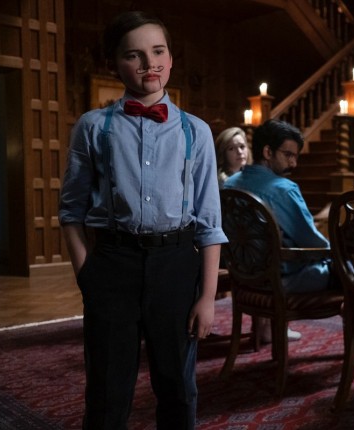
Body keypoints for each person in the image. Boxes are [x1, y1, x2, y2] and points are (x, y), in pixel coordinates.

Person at [58, 11, 227, 429]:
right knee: (107, 389)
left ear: (170, 59)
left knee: (177, 386)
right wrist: (87, 274)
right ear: (114, 63)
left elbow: (209, 221)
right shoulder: (93, 127)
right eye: (134, 55)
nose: (149, 63)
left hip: (176, 265)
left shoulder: (196, 131)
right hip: (113, 264)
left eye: (158, 51)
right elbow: (71, 210)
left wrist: (207, 296)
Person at [223, 119, 335, 342]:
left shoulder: (229, 184)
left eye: (295, 156)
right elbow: (314, 244)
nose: (293, 163)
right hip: (280, 281)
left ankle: (266, 329)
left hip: (243, 278)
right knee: (346, 267)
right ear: (267, 152)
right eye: (288, 155)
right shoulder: (283, 189)